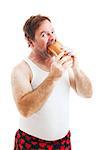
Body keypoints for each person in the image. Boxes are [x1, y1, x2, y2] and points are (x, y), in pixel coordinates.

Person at [11, 14, 93, 150]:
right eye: (44, 35)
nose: (52, 38)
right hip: (31, 144)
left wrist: (76, 68)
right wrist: (53, 77)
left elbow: (88, 93)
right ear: (31, 42)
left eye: (52, 32)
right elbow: (25, 110)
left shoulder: (62, 62)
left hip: (63, 142)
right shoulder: (21, 69)